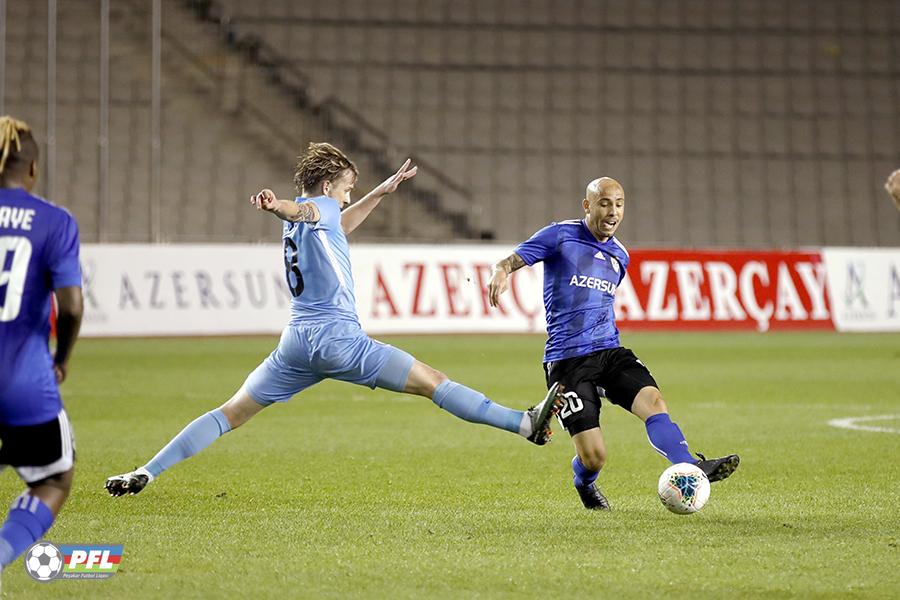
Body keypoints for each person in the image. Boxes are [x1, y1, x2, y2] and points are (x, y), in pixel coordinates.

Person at [106, 142, 562, 497]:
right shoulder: (313, 209)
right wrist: (276, 204)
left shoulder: (317, 221)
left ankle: (147, 470)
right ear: (327, 188)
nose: (348, 198)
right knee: (432, 381)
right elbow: (305, 209)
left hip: (295, 344)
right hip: (337, 339)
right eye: (346, 189)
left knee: (229, 414)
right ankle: (523, 424)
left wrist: (379, 193)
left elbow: (333, 222)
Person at [488, 177, 739, 510]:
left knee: (654, 401)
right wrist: (501, 272)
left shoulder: (621, 255)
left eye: (619, 204)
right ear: (587, 205)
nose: (613, 212)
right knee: (594, 457)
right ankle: (584, 483)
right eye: (605, 203)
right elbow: (509, 261)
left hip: (610, 350)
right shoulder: (560, 235)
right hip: (568, 360)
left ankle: (689, 464)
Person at [0, 116, 83, 569]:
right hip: (24, 385)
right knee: (54, 479)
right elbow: (70, 307)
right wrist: (61, 360)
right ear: (32, 170)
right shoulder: (54, 222)